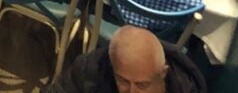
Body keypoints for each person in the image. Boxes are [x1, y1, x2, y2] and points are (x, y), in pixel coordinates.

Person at [47, 25, 206, 92]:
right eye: (123, 81)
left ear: (163, 73)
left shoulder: (184, 88)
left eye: (142, 85)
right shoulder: (90, 68)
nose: (132, 92)